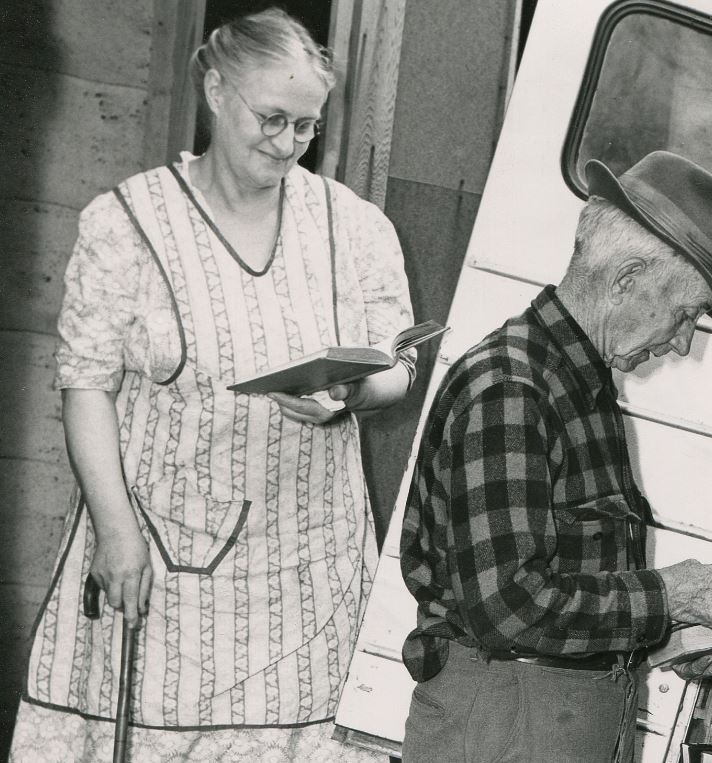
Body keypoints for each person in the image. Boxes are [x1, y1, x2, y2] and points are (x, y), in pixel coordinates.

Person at [11, 9, 413, 761]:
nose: (287, 144)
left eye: (306, 127)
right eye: (272, 119)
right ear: (217, 92)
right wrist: (115, 529)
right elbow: (86, 384)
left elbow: (400, 361)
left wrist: (353, 395)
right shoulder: (127, 223)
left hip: (309, 580)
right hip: (162, 562)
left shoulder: (355, 229)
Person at [400, 150, 712, 763]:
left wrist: (677, 630)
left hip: (549, 719)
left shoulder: (578, 384)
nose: (683, 342)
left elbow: (572, 590)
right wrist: (668, 598)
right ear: (626, 278)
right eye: (686, 313)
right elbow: (508, 609)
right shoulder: (511, 390)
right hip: (511, 723)